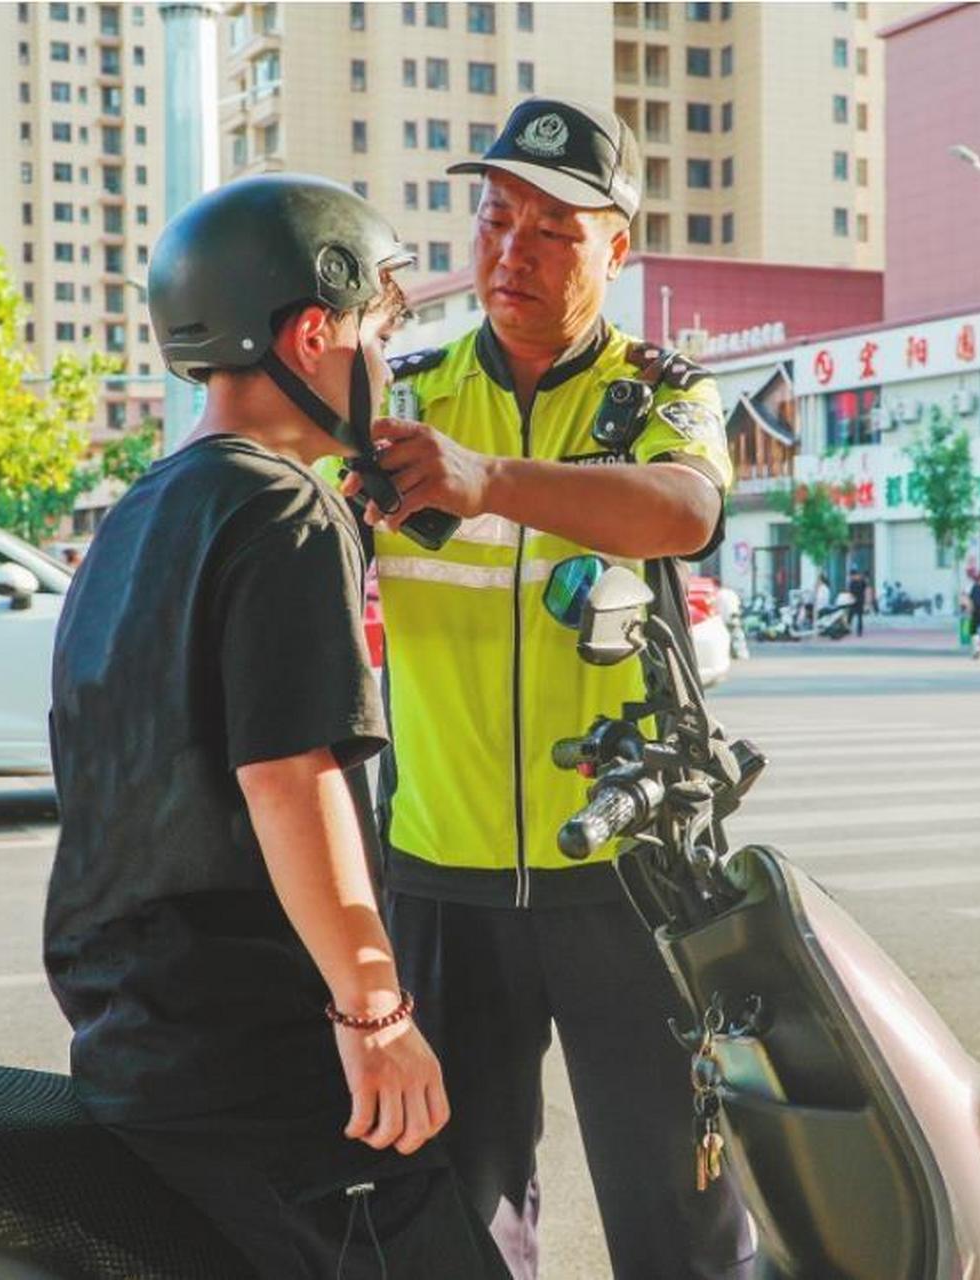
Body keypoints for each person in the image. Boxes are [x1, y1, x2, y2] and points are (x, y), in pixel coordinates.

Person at [43, 174, 506, 1279]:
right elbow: (288, 778)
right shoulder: (285, 511)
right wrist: (376, 1015)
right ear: (312, 333)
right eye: (376, 331)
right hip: (260, 1051)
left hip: (136, 1033)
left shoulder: (137, 515)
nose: (386, 361)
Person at [346, 97, 752, 1278]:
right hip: (440, 869)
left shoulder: (657, 390)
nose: (511, 250)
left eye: (554, 231)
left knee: (674, 1203)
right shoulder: (400, 398)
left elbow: (685, 509)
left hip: (625, 878)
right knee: (457, 1217)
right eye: (494, 217)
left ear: (617, 250)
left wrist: (488, 480)